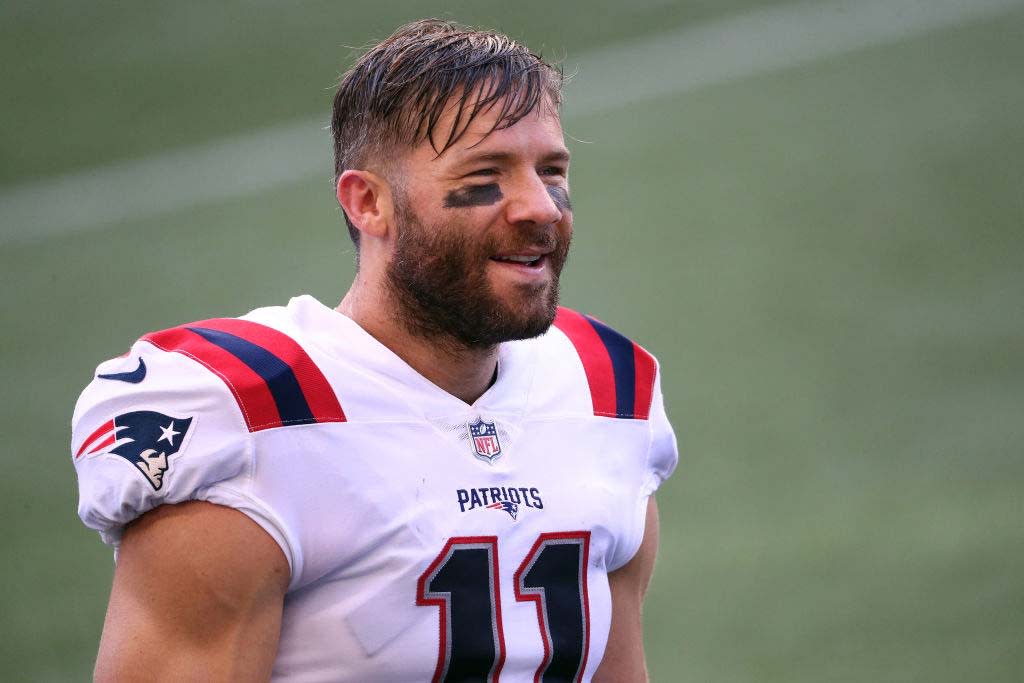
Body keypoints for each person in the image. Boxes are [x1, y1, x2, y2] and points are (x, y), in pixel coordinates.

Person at [71, 19, 678, 682]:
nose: (540, 207)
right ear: (369, 202)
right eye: (487, 174)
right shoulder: (251, 419)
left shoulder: (605, 392)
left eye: (551, 170)